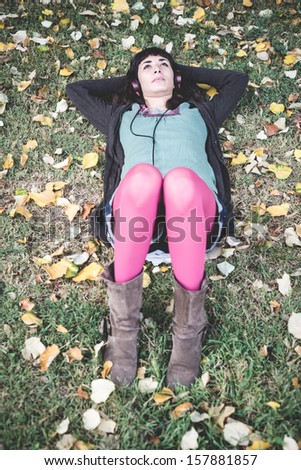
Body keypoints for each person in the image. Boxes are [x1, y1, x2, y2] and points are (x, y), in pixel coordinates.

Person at [66, 47, 248, 388]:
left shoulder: (200, 113)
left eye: (163, 64)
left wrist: (180, 71)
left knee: (179, 178)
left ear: (176, 76)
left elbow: (236, 80)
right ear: (136, 83)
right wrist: (132, 77)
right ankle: (123, 334)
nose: (157, 69)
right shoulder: (119, 117)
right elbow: (77, 90)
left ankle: (188, 337)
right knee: (145, 175)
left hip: (195, 213)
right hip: (132, 217)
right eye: (147, 67)